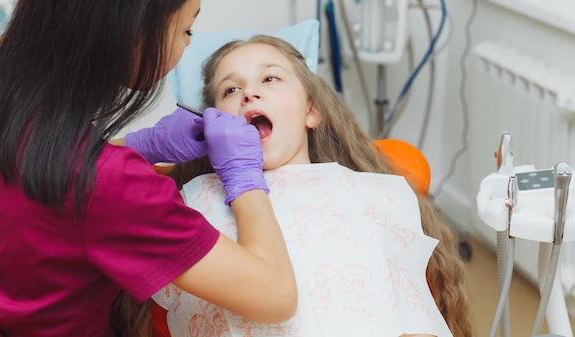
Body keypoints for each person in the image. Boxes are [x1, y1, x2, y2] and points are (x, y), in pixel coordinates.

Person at [0, 0, 298, 336]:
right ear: (133, 33)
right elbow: (276, 297)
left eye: (271, 80)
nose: (188, 43)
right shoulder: (114, 188)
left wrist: (138, 146)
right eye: (186, 29)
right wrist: (244, 179)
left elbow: (39, 172)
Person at [113, 34, 473, 337]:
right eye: (231, 89)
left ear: (310, 110)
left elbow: (412, 314)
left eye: (270, 79)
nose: (249, 93)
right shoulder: (191, 201)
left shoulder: (374, 195)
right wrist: (139, 149)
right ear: (210, 125)